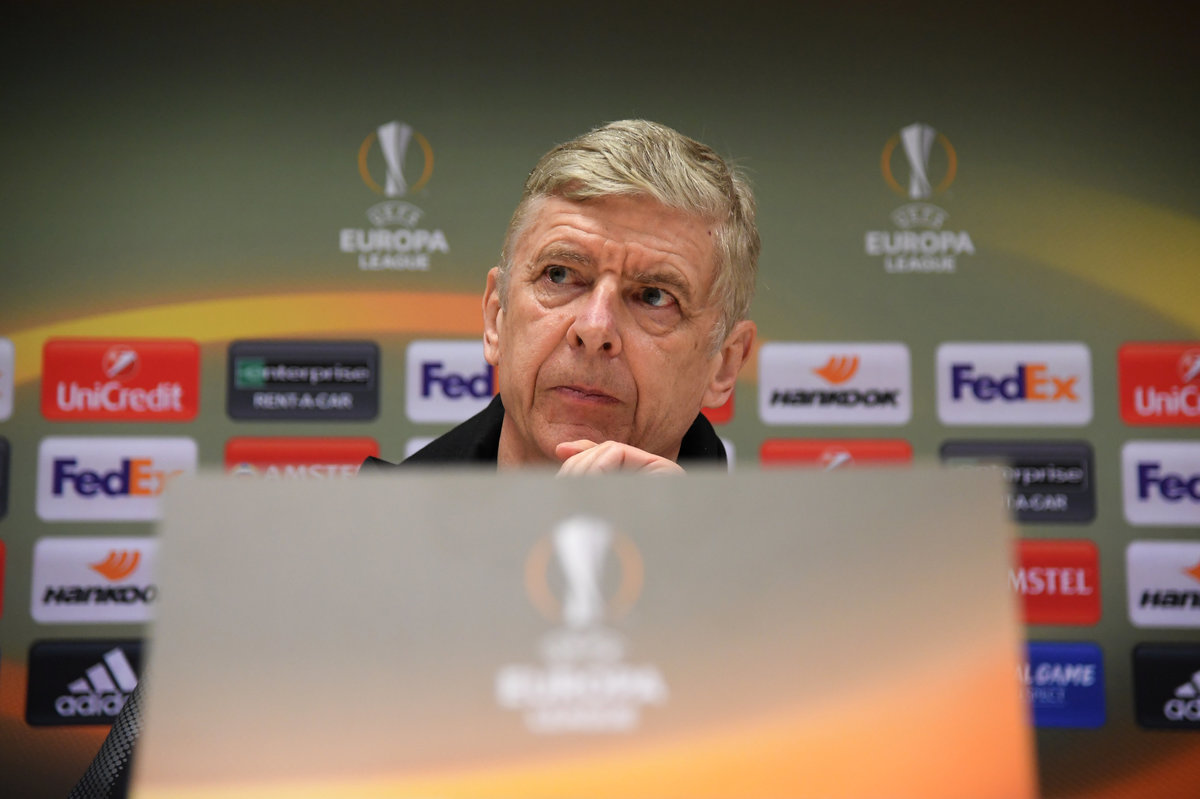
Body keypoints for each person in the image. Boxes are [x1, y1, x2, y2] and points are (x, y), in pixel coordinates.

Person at [368, 119, 758, 473]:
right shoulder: (367, 527)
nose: (594, 328)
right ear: (496, 317)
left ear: (724, 364)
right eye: (559, 275)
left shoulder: (778, 535)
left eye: (654, 297)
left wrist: (692, 530)